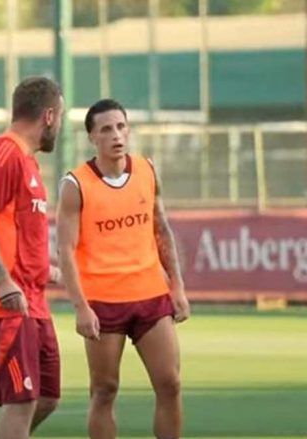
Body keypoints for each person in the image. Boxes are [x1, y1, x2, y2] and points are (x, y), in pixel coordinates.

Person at [57, 98, 190, 439]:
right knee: (104, 390)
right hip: (103, 303)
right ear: (92, 138)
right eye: (106, 129)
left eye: (120, 126)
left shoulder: (146, 169)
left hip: (150, 295)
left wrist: (177, 287)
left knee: (170, 383)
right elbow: (66, 251)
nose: (116, 135)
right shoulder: (76, 184)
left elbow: (161, 229)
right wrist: (80, 307)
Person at [0, 76, 64, 439]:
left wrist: (54, 272)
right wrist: (3, 282)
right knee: (22, 401)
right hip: (2, 304)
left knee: (48, 398)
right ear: (49, 116)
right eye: (62, 117)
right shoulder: (2, 153)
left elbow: (20, 241)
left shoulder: (28, 164)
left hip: (33, 302)